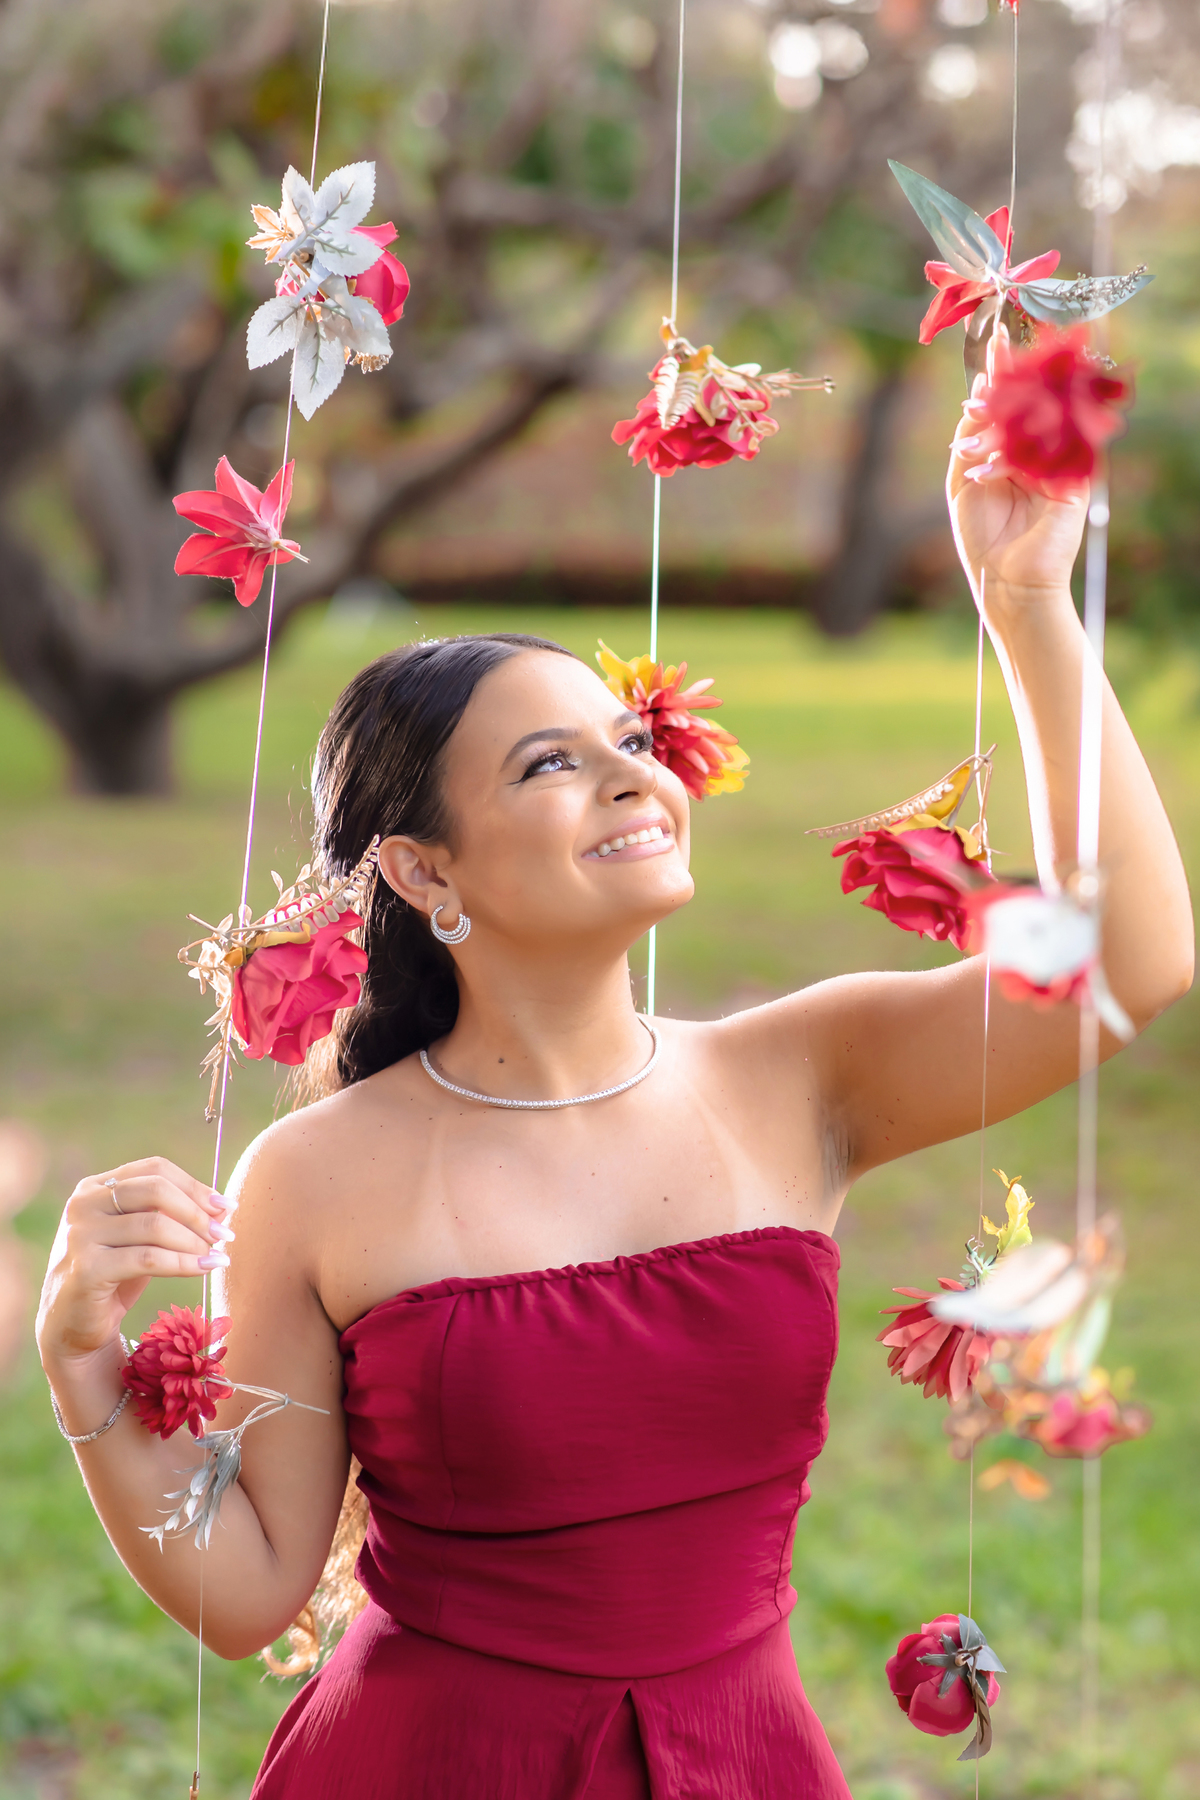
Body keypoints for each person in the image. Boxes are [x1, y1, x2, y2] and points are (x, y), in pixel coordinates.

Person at [37, 424, 1193, 1800]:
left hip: (742, 1759)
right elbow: (247, 1596)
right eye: (549, 765)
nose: (638, 775)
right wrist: (82, 1373)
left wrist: (1025, 602)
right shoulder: (318, 1175)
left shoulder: (802, 1074)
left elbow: (1129, 960)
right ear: (422, 872)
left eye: (629, 740)